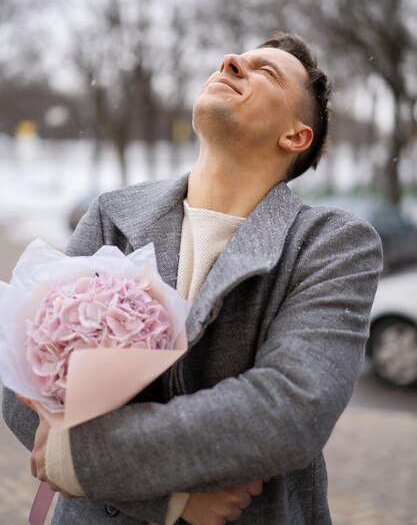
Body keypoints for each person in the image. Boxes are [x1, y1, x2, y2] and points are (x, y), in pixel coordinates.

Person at [2, 32, 383, 525]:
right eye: (234, 59)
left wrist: (80, 458)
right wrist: (167, 501)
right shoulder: (111, 215)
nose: (229, 63)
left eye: (265, 72)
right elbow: (20, 391)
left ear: (295, 135)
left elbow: (290, 411)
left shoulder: (333, 244)